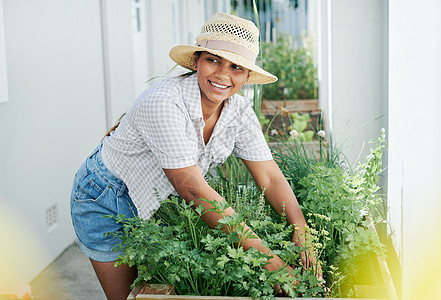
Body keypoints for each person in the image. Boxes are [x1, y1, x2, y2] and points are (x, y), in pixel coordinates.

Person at [70, 12, 317, 300]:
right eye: (213, 60)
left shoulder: (238, 112)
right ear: (197, 60)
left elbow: (271, 177)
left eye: (236, 67)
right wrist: (271, 262)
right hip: (105, 199)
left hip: (156, 202)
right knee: (131, 297)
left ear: (247, 76)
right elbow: (195, 191)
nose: (223, 75)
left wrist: (301, 228)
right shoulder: (165, 102)